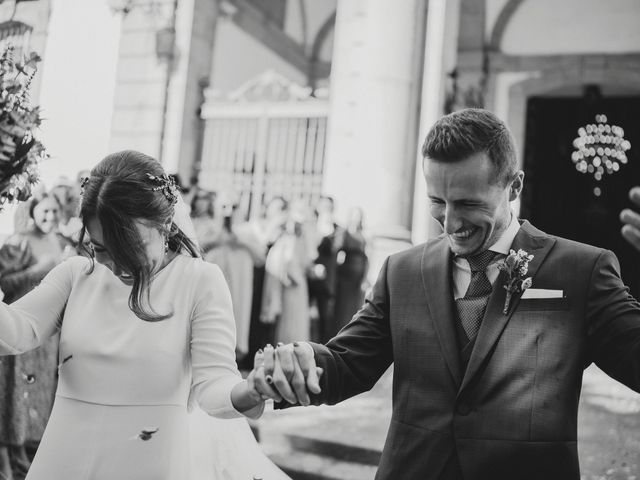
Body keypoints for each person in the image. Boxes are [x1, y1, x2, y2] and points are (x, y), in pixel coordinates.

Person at [253, 109, 640, 480]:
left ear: (514, 186)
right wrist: (300, 362)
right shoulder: (402, 271)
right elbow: (347, 362)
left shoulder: (582, 270)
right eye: (437, 201)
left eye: (469, 203)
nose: (451, 222)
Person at [0, 150, 268, 480]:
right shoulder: (75, 274)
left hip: (148, 462)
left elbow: (214, 386)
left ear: (166, 224)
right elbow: (15, 330)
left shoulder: (199, 280)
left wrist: (255, 389)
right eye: (99, 249)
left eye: (128, 248)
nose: (114, 265)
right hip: (64, 458)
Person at [0, 193, 73, 480]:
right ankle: (14, 457)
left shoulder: (60, 242)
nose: (50, 217)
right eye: (45, 211)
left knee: (41, 396)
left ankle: (31, 456)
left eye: (55, 211)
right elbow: (3, 283)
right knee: (19, 396)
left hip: (49, 336)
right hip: (22, 326)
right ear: (33, 211)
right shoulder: (18, 242)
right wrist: (37, 269)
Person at [333, 206, 369, 331]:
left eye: (359, 216)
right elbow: (336, 250)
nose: (357, 219)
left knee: (354, 307)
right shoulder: (345, 233)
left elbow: (366, 258)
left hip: (357, 278)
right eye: (355, 215)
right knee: (342, 307)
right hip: (345, 276)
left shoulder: (363, 236)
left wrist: (364, 278)